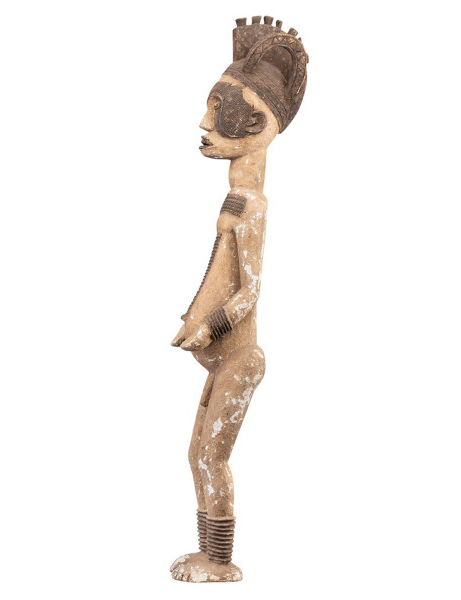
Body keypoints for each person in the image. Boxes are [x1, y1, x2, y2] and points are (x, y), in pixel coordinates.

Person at [169, 16, 308, 583]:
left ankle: (220, 561)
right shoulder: (238, 198)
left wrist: (209, 327)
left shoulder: (251, 204)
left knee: (211, 456)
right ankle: (210, 551)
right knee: (196, 454)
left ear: (256, 125)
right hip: (224, 358)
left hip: (239, 358)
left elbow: (250, 291)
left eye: (218, 109)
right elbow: (223, 273)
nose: (206, 123)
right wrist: (194, 318)